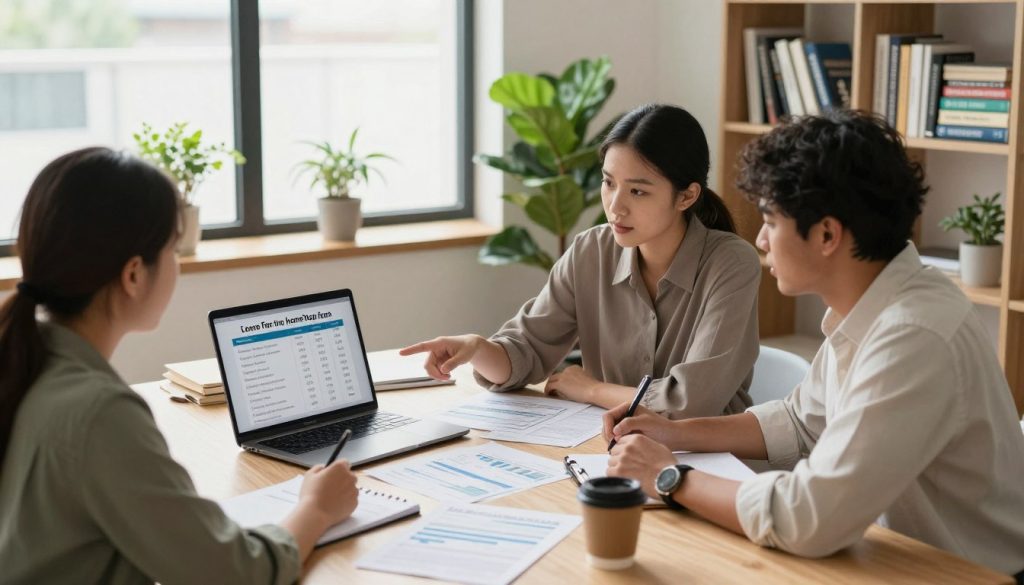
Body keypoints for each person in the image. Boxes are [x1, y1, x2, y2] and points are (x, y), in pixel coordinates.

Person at [603, 109, 1024, 580]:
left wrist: (671, 477)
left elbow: (810, 519)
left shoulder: (912, 336)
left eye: (770, 221)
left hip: (960, 574)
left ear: (826, 234)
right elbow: (801, 424)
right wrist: (672, 433)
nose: (760, 240)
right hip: (886, 557)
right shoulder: (873, 304)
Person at [0, 147, 359, 584]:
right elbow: (233, 574)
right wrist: (315, 508)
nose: (177, 265)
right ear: (134, 274)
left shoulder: (25, 359)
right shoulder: (99, 412)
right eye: (172, 248)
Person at [401, 104, 761, 418]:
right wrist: (478, 349)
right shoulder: (591, 251)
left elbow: (689, 404)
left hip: (707, 461)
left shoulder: (731, 264)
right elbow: (525, 351)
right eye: (608, 183)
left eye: (637, 191)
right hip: (610, 447)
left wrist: (592, 390)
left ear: (686, 196)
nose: (615, 206)